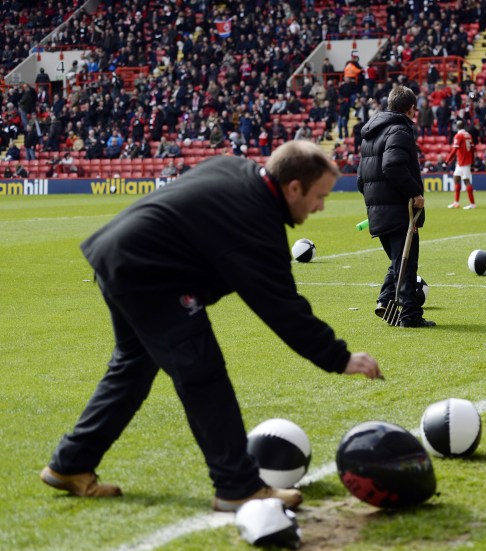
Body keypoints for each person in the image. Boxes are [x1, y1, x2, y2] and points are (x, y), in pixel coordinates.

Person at [40, 141, 383, 511]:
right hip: (149, 275)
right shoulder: (254, 219)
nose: (320, 206)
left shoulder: (236, 169)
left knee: (131, 371)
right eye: (319, 196)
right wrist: (339, 357)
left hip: (118, 256)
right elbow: (281, 306)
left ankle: (70, 465)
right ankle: (238, 487)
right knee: (203, 374)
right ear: (293, 187)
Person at [358, 86, 435, 328]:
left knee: (398, 260)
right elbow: (392, 167)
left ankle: (385, 300)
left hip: (376, 207)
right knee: (407, 260)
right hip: (398, 208)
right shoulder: (400, 129)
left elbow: (361, 179)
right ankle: (410, 315)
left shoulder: (371, 132)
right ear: (411, 108)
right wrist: (415, 193)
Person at [444, 120, 476, 209]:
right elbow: (473, 149)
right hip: (462, 162)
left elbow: (454, 150)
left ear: (456, 127)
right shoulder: (468, 135)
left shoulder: (459, 135)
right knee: (456, 178)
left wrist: (447, 161)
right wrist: (472, 161)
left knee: (466, 181)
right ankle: (456, 202)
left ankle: (472, 204)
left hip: (463, 161)